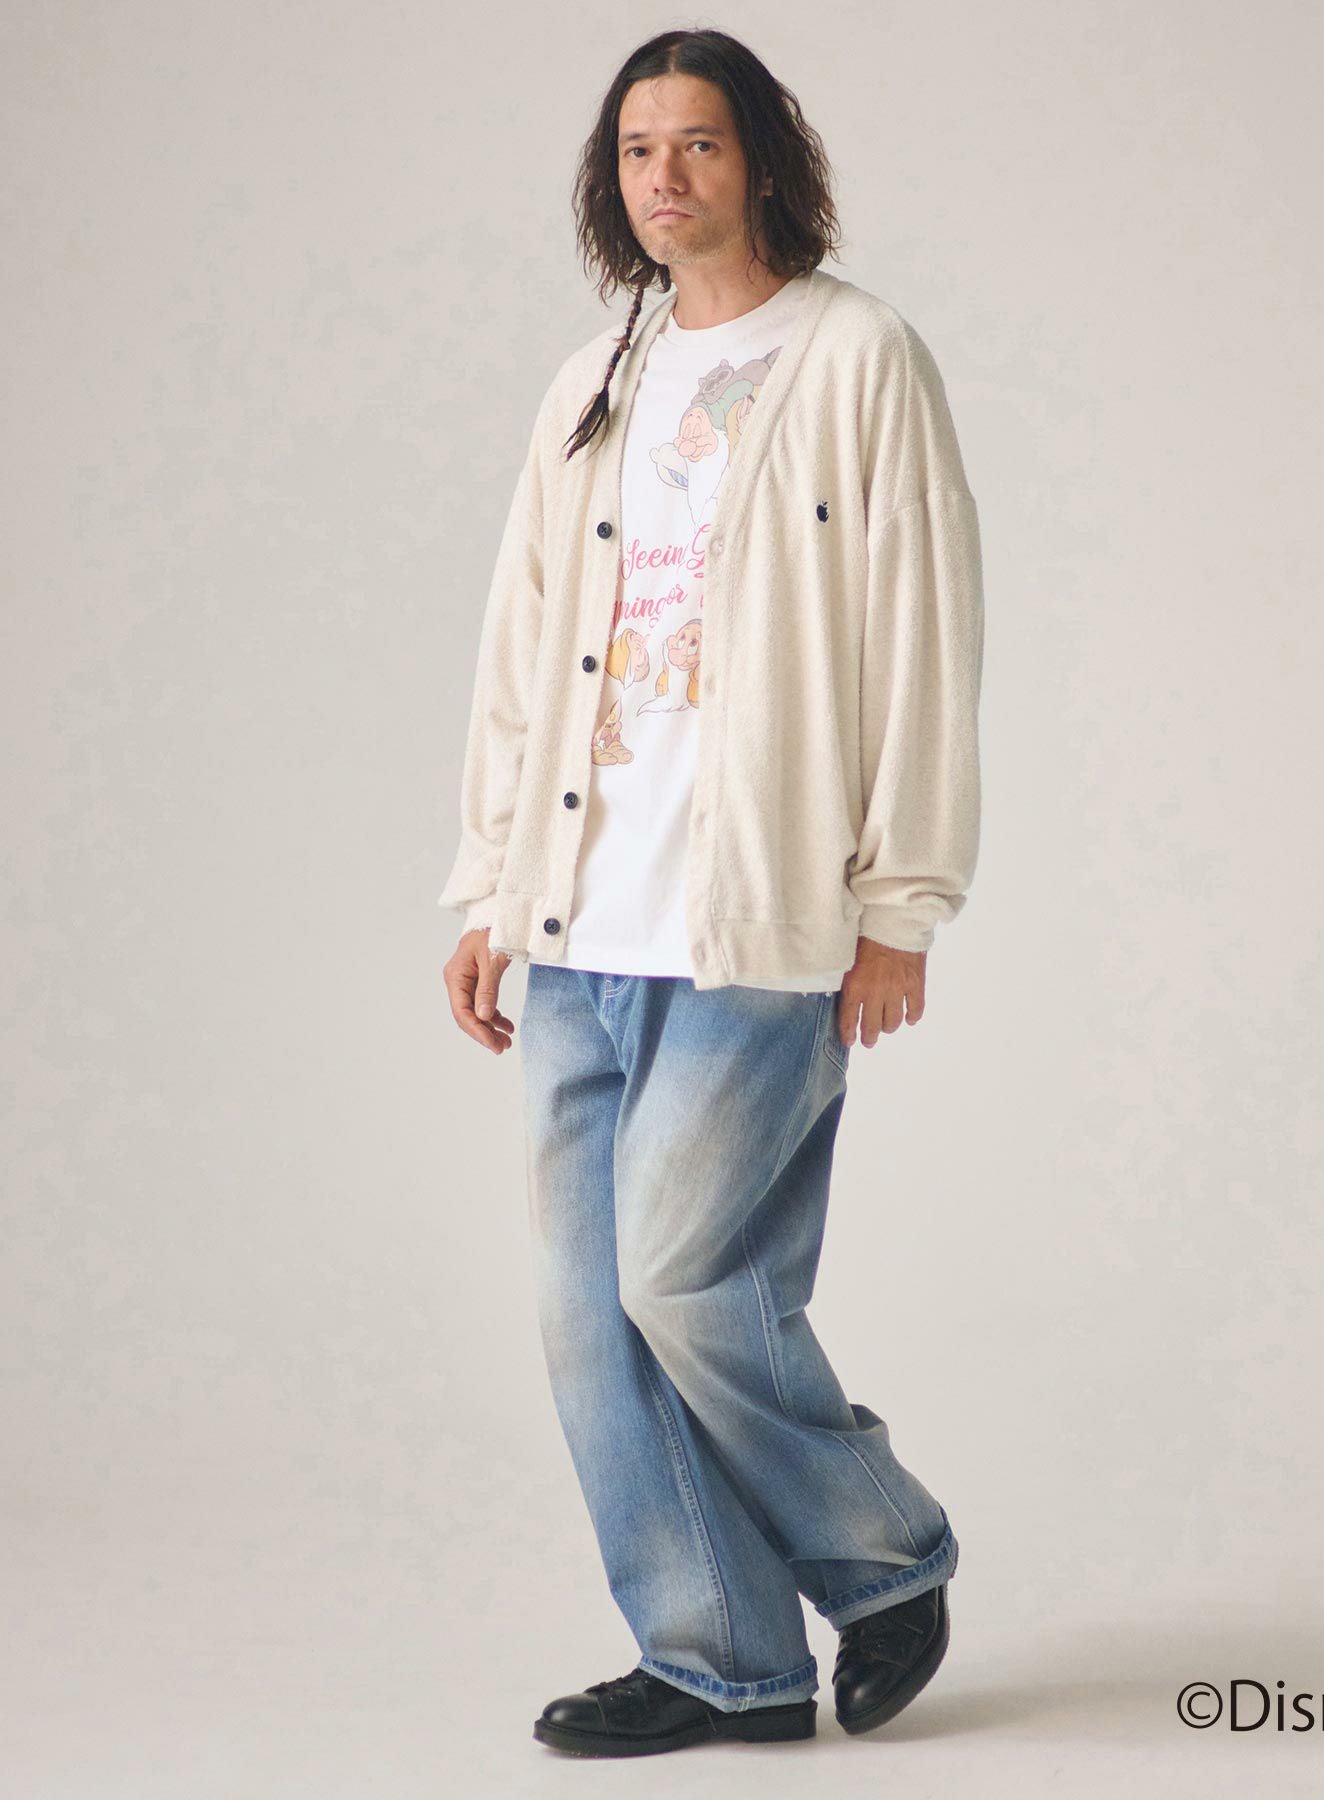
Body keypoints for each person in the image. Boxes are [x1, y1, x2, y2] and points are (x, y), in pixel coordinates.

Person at [438, 26, 984, 1759]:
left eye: (697, 144)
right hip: (579, 920)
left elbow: (924, 636)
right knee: (586, 1319)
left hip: (757, 917)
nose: (663, 177)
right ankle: (720, 1657)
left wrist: (900, 904)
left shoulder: (856, 357)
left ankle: (883, 1559)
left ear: (761, 162)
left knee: (682, 1277)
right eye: (636, 150)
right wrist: (487, 884)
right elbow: (521, 649)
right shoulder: (591, 383)